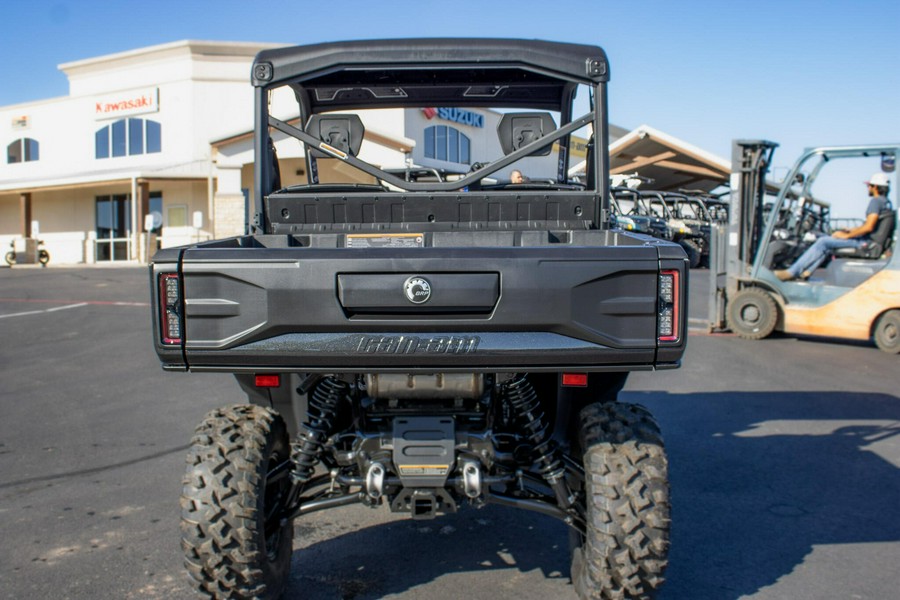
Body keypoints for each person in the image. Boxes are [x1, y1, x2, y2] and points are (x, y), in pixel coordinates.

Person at [775, 172, 892, 281]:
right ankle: (806, 273)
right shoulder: (886, 202)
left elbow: (869, 227)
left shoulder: (875, 202)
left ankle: (791, 272)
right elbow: (872, 226)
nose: (868, 188)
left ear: (875, 187)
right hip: (871, 242)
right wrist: (850, 230)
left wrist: (846, 236)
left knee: (822, 241)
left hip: (866, 243)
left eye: (869, 186)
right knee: (828, 241)